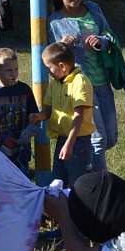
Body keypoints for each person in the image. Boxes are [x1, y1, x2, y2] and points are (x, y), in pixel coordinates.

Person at [47, 0, 121, 172]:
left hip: (102, 81)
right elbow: (47, 56)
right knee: (98, 140)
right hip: (79, 86)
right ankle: (101, 186)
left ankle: (83, 169)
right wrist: (61, 45)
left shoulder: (94, 10)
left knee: (111, 138)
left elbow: (110, 36)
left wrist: (102, 41)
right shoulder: (54, 21)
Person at [0, 47, 45, 179]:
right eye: (9, 70)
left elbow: (35, 117)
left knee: (22, 179)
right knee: (3, 182)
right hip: (1, 149)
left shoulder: (24, 89)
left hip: (22, 149)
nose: (13, 74)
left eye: (16, 69)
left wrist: (28, 134)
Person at [41, 41, 95, 185]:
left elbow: (78, 117)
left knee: (78, 183)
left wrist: (69, 145)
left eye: (49, 68)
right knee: (58, 181)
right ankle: (63, 206)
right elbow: (47, 108)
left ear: (62, 67)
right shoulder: (55, 81)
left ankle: (78, 207)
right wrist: (38, 116)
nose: (48, 71)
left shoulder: (80, 82)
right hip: (62, 139)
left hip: (78, 142)